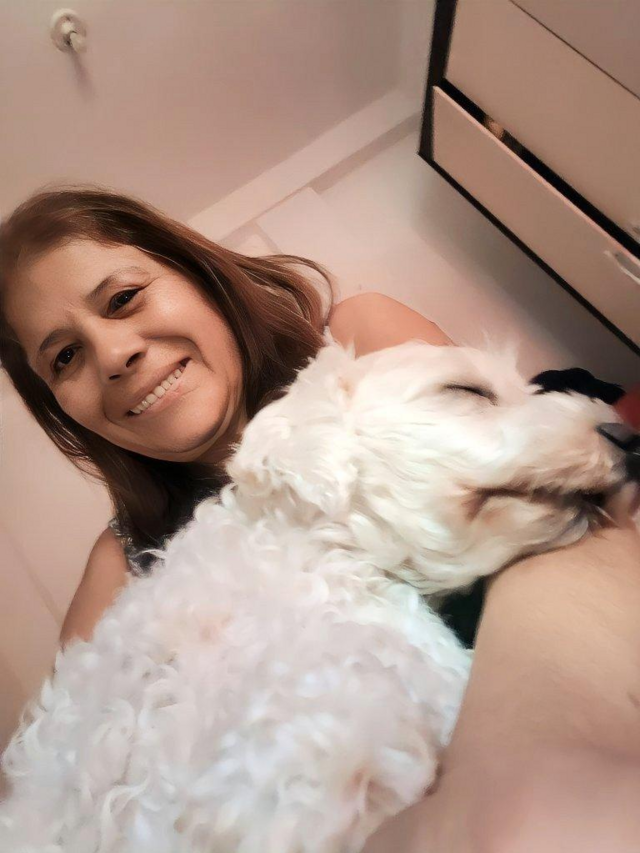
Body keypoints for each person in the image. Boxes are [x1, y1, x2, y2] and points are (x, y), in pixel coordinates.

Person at [1, 186, 638, 850]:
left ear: (197, 274)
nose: (112, 354)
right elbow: (53, 789)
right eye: (64, 357)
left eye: (124, 298)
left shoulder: (359, 338)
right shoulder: (119, 564)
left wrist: (527, 769)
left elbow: (557, 492)